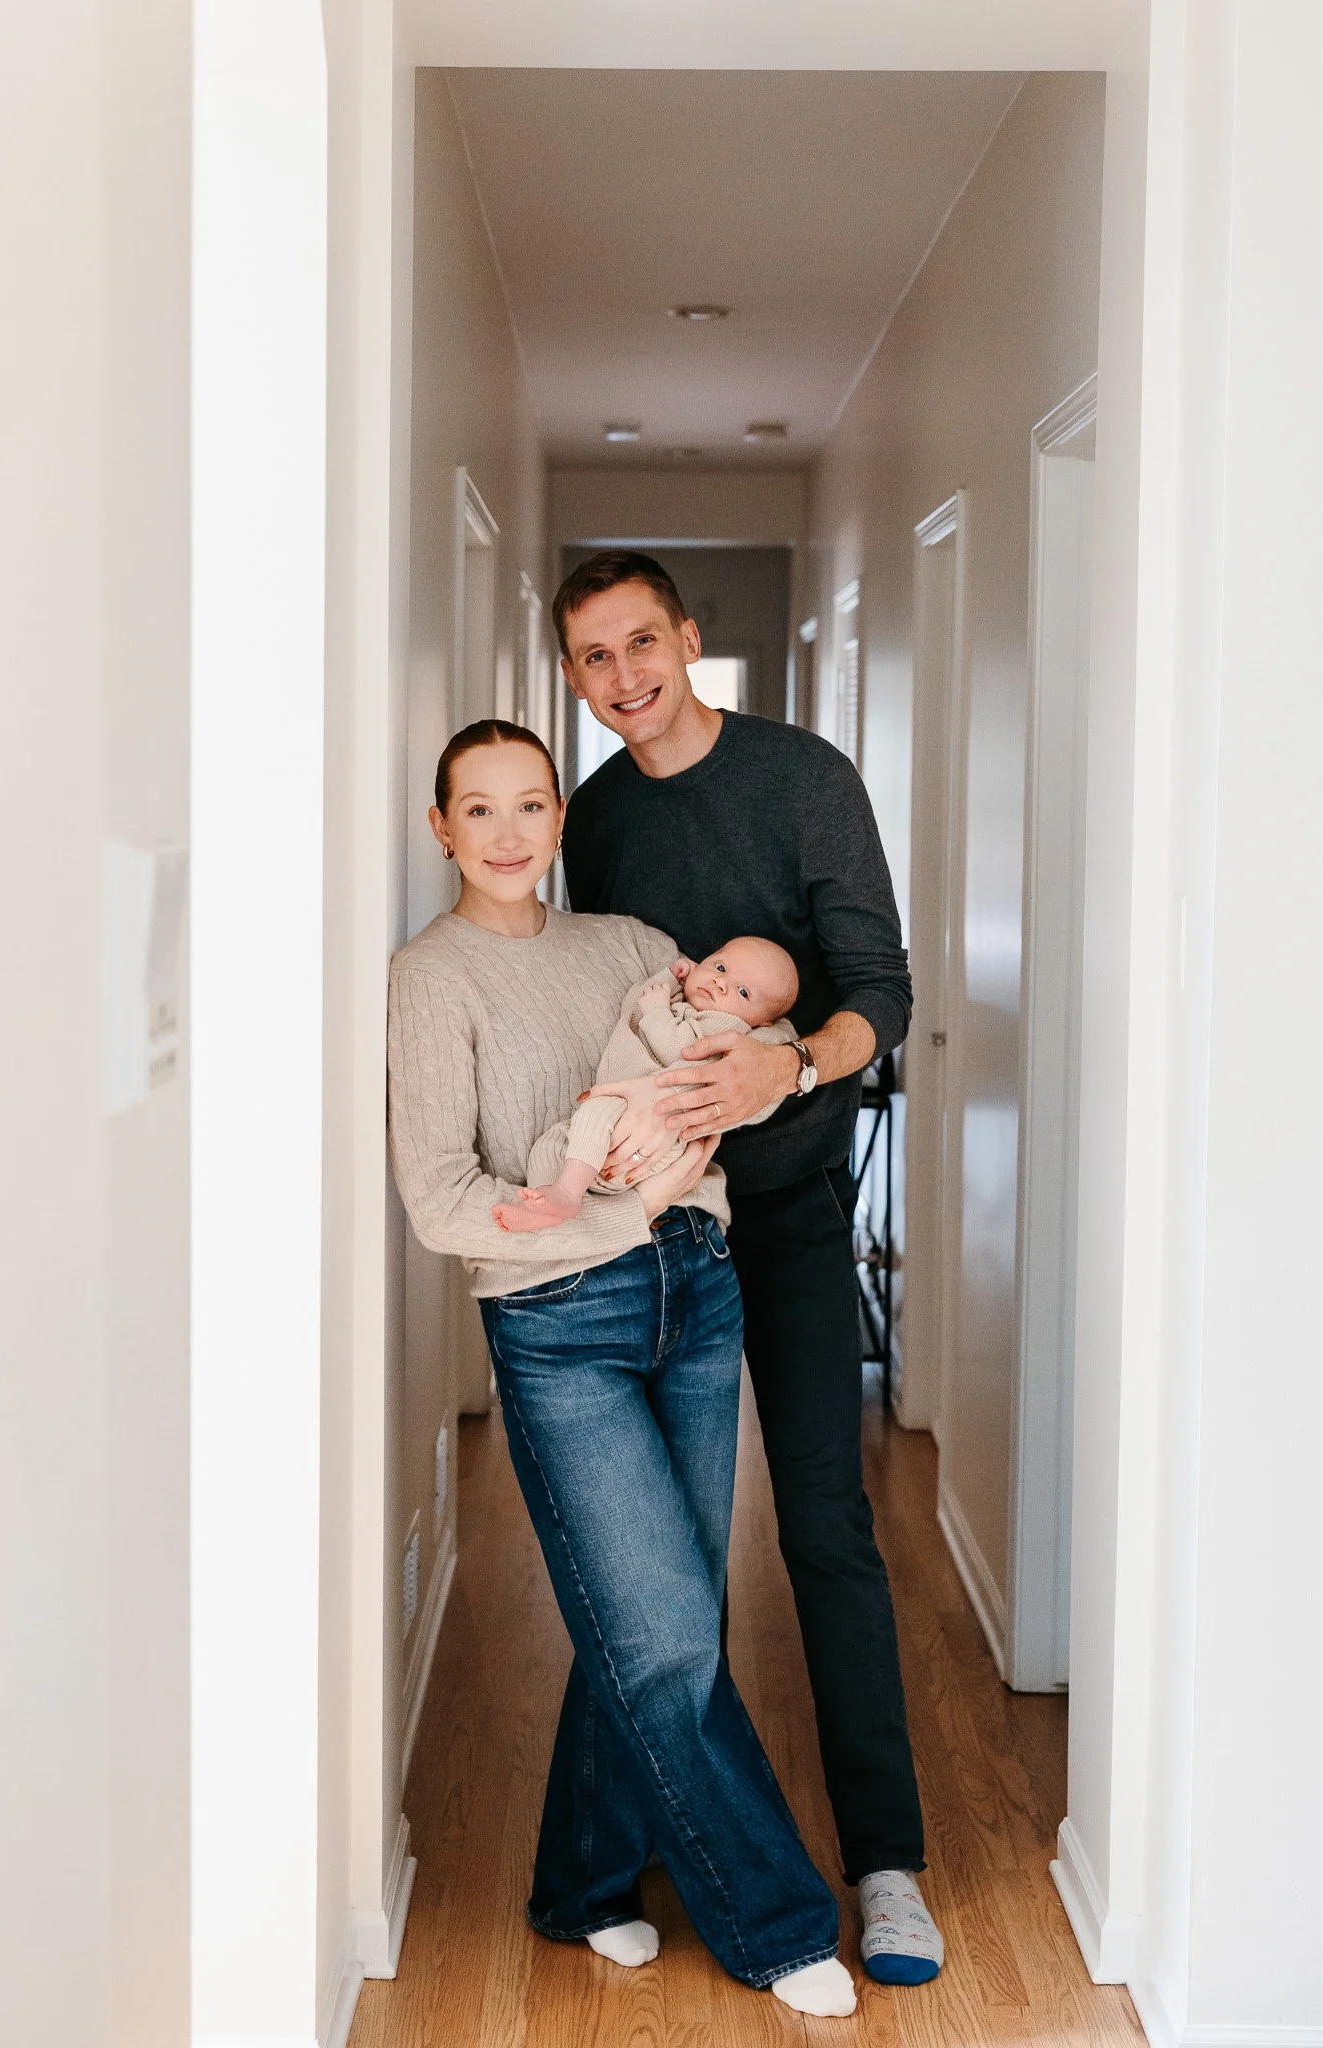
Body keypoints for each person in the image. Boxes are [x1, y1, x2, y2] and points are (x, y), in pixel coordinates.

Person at [386, 717, 859, 2018]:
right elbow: (436, 1197)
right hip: (559, 1325)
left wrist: (757, 1083)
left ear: (556, 816)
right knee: (657, 1633)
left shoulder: (631, 947)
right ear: (442, 828)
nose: (507, 832)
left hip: (694, 1295)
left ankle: (584, 1886)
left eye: (528, 804)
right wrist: (538, 1218)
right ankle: (776, 1923)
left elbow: (730, 1076)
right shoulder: (432, 979)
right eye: (476, 811)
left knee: (655, 1614)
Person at [558, 551, 945, 1986]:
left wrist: (789, 1059)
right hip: (659, 1228)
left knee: (825, 1534)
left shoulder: (802, 777)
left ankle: (887, 1862)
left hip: (780, 1219)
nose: (620, 678)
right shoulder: (591, 824)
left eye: (640, 643)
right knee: (668, 1561)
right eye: (591, 658)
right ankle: (691, 1825)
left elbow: (880, 995)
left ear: (689, 640)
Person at [492, 936, 800, 1232]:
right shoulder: (683, 1000)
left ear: (761, 1023)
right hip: (616, 1124)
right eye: (720, 968)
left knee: (595, 1111)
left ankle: (568, 1194)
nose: (721, 982)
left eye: (743, 992)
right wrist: (667, 978)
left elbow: (676, 1046)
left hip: (652, 1138)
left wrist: (656, 1008)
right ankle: (548, 1201)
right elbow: (636, 1005)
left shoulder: (727, 1026)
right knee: (551, 1144)